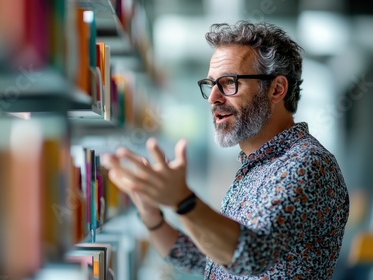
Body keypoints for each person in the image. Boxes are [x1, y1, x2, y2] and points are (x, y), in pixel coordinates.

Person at [102, 21, 349, 279]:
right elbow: (211, 261)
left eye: (229, 83)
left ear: (277, 89)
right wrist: (150, 212)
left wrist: (183, 201)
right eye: (211, 85)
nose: (213, 98)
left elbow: (248, 257)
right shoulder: (257, 165)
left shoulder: (307, 164)